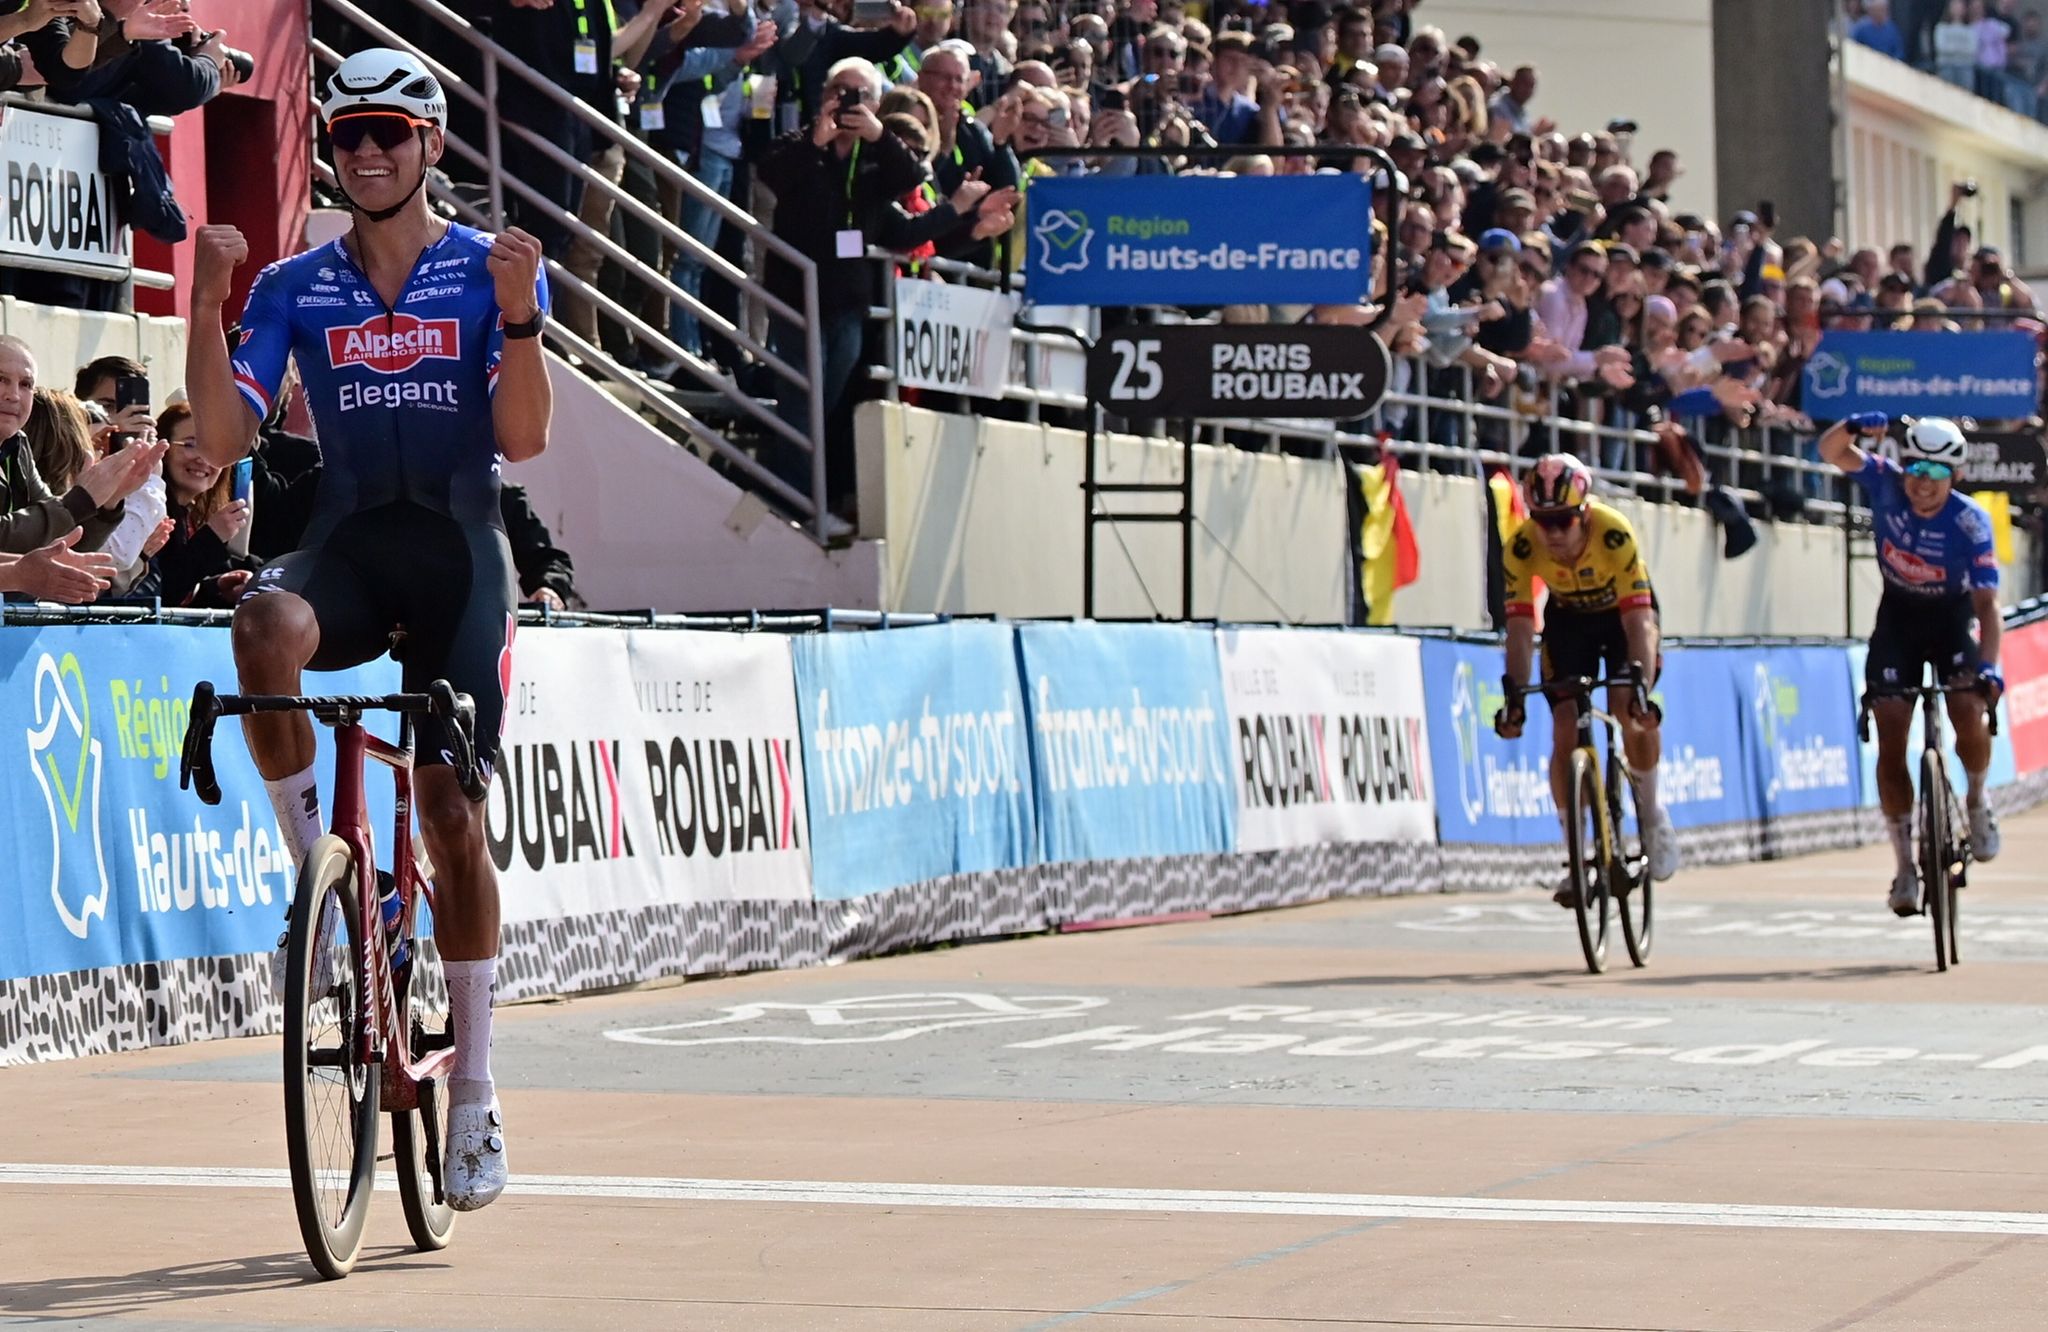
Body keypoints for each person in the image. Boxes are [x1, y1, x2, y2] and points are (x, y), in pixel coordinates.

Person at [183, 49, 550, 1214]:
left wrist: (523, 320)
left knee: (449, 814)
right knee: (260, 625)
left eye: (392, 132)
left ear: (433, 144)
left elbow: (525, 442)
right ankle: (328, 892)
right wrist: (204, 300)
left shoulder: (480, 271)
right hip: (345, 542)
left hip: (458, 556)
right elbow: (224, 441)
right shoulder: (297, 284)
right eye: (347, 137)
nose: (369, 152)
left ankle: (480, 1094)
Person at [1820, 414, 2003, 917]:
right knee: (1892, 729)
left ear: (1956, 477)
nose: (1923, 482)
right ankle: (1904, 864)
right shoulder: (1884, 482)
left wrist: (1990, 668)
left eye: (1936, 473)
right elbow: (1831, 450)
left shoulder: (1970, 521)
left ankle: (1978, 797)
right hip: (1898, 616)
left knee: (1968, 705)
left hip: (1952, 616)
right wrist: (1853, 424)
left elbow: (1988, 606)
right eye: (1915, 468)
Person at [1494, 453, 1681, 898]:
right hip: (1568, 621)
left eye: (1563, 521)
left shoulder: (1613, 532)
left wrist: (1639, 687)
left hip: (1623, 618)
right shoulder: (1521, 547)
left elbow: (1639, 623)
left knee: (1625, 707)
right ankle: (1576, 856)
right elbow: (1520, 629)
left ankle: (1652, 813)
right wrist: (1515, 697)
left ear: (1584, 512)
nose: (1554, 533)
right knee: (1563, 729)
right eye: (1544, 521)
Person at [0, 335, 164, 555]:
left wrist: (110, 500)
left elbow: (66, 544)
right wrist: (82, 498)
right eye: (1, 379)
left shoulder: (17, 445)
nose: (13, 395)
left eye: (25, 384)